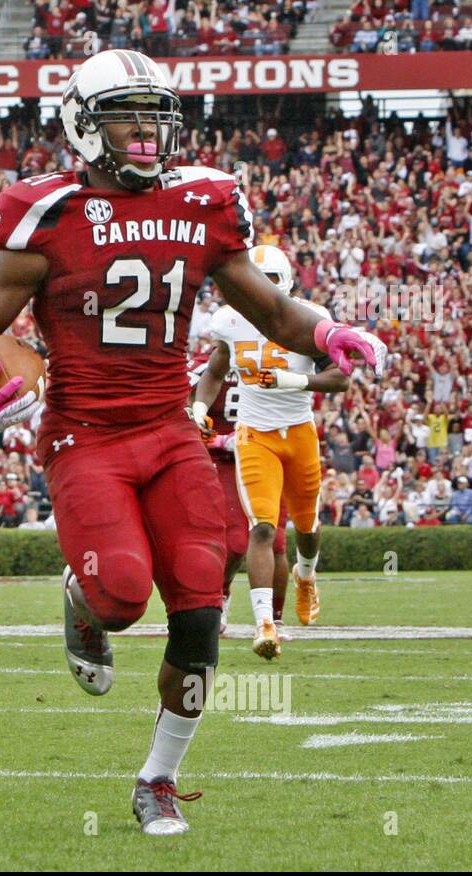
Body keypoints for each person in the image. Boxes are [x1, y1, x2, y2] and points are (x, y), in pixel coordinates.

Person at [0, 49, 382, 837]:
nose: (145, 130)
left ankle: (160, 779)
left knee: (199, 603)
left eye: (154, 114)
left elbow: (273, 312)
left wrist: (328, 329)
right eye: (124, 114)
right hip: (86, 436)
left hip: (171, 427)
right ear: (83, 122)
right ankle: (82, 604)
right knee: (120, 598)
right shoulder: (46, 212)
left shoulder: (205, 201)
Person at [193, 244, 351, 658]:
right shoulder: (229, 320)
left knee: (307, 526)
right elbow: (215, 369)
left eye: (271, 284)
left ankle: (307, 576)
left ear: (287, 287)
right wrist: (196, 407)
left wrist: (294, 382)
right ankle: (265, 624)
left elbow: (340, 378)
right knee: (261, 529)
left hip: (298, 430)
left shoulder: (310, 318)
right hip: (254, 434)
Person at [186, 355, 291, 640]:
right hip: (223, 459)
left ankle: (275, 618)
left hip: (266, 453)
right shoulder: (205, 363)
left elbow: (292, 405)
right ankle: (221, 592)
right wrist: (206, 432)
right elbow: (182, 402)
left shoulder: (272, 360)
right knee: (233, 541)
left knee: (277, 539)